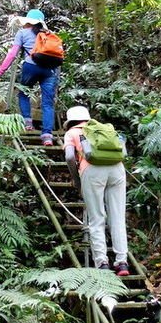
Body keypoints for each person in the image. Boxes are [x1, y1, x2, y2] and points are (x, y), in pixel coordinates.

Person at [63, 105, 130, 276]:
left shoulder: (71, 133)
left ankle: (102, 263)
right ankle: (122, 262)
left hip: (92, 171)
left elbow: (70, 157)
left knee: (97, 218)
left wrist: (77, 179)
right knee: (117, 217)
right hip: (117, 170)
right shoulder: (103, 129)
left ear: (70, 120)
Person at [0, 9, 58, 145]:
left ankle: (27, 122)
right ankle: (47, 135)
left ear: (27, 22)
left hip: (31, 67)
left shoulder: (23, 33)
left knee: (23, 94)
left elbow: (12, 55)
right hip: (50, 71)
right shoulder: (49, 34)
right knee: (48, 103)